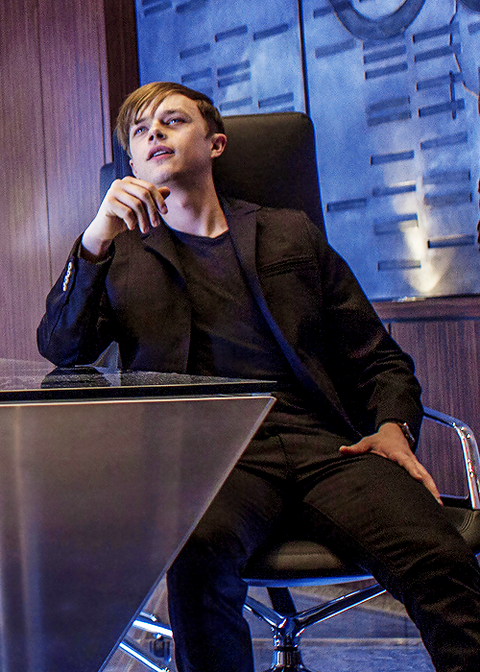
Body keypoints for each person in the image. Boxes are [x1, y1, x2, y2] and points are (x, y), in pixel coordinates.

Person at [38, 82, 480, 672]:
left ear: (215, 143)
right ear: (133, 165)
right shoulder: (118, 254)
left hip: (325, 446)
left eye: (172, 120)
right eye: (140, 132)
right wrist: (94, 239)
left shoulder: (289, 232)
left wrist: (395, 428)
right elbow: (61, 348)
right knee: (196, 561)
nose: (154, 134)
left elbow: (377, 356)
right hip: (212, 456)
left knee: (439, 557)